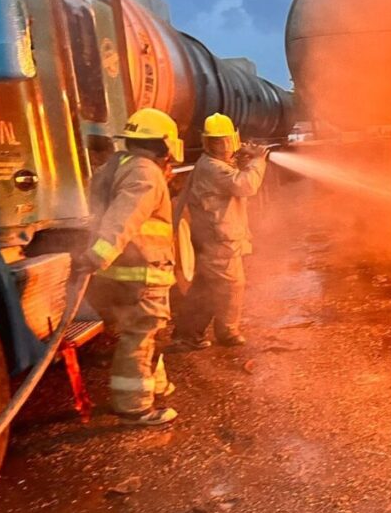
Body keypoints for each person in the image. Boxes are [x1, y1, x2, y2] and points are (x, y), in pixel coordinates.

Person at [77, 108, 184, 426]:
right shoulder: (146, 173)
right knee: (140, 335)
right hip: (143, 272)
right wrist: (98, 254)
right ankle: (134, 407)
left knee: (149, 332)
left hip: (119, 274)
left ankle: (157, 385)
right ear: (164, 144)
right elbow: (124, 216)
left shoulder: (116, 165)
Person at [172, 113, 268, 349]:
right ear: (207, 143)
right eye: (216, 141)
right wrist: (257, 161)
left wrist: (242, 161)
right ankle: (227, 332)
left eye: (224, 141)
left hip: (212, 236)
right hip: (218, 239)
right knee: (231, 285)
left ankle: (187, 335)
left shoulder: (211, 164)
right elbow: (245, 185)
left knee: (205, 287)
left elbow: (232, 179)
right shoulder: (212, 167)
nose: (222, 146)